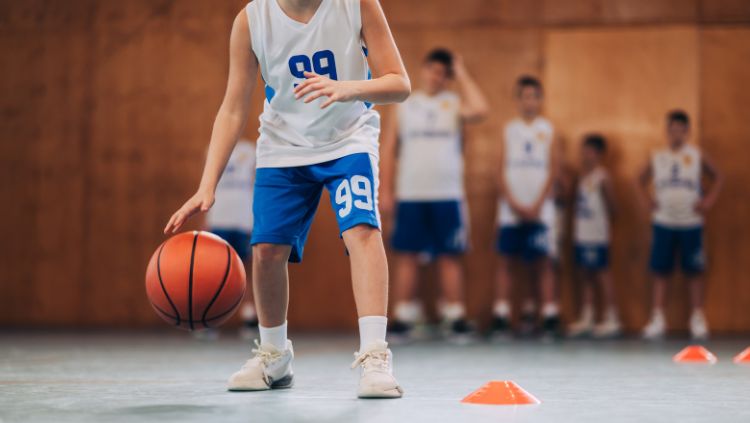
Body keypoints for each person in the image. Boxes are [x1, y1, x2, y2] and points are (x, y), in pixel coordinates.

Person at [164, 0, 410, 398]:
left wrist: (349, 89)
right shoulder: (250, 20)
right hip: (283, 145)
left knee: (362, 229)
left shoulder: (356, 5)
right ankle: (275, 354)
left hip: (349, 139)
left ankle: (375, 355)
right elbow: (232, 108)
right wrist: (207, 184)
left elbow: (400, 83)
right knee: (265, 250)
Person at [380, 48, 488, 344]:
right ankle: (402, 318)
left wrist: (461, 72)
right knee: (408, 255)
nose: (436, 77)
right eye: (433, 70)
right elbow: (389, 149)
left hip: (447, 193)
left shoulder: (453, 104)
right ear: (423, 70)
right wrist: (386, 191)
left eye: (443, 73)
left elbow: (480, 109)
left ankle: (454, 317)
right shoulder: (404, 105)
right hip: (411, 193)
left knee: (448, 255)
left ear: (447, 77)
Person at [639, 110, 722, 340]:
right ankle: (657, 318)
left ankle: (697, 317)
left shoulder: (696, 155)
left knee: (694, 270)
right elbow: (639, 179)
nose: (675, 134)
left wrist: (708, 201)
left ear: (687, 131)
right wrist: (647, 200)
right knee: (660, 270)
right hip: (663, 220)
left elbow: (718, 177)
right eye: (672, 129)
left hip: (691, 222)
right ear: (667, 131)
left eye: (680, 129)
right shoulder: (657, 155)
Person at [490, 76, 561, 340]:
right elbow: (498, 171)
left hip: (541, 209)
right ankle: (502, 314)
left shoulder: (549, 129)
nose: (529, 101)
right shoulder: (508, 130)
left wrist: (538, 203)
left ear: (540, 100)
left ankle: (549, 315)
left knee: (544, 262)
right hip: (511, 209)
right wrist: (514, 203)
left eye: (534, 96)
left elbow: (554, 170)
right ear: (518, 100)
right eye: (525, 96)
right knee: (506, 260)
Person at [567, 134, 621, 338]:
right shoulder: (581, 176)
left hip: (598, 233)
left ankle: (612, 316)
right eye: (583, 150)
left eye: (589, 150)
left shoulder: (602, 177)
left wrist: (605, 224)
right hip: (582, 232)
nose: (585, 154)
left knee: (601, 273)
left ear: (599, 154)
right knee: (584, 274)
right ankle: (587, 316)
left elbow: (613, 207)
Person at [205, 139, 259, 340]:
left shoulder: (250, 150)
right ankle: (209, 319)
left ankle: (249, 318)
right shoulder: (213, 148)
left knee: (245, 271)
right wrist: (206, 218)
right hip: (219, 218)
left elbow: (257, 183)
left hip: (243, 220)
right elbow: (209, 185)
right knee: (213, 272)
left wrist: (257, 218)